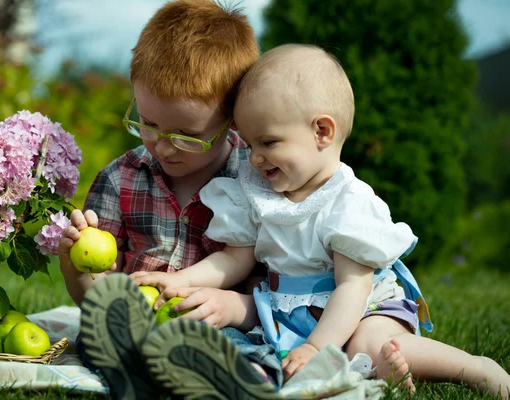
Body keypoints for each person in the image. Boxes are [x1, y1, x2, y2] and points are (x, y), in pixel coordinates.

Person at [132, 44, 510, 399]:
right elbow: (235, 260)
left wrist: (316, 347)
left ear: (322, 132)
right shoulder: (257, 192)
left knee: (368, 343)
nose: (255, 158)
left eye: (268, 142)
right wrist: (181, 280)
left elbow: (352, 288)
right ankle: (373, 373)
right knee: (233, 324)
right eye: (249, 143)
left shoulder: (347, 202)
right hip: (288, 310)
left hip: (362, 311)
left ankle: (476, 369)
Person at [58, 1, 280, 399]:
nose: (162, 145)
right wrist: (75, 267)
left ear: (233, 121)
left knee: (238, 346)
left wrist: (234, 306)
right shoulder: (120, 178)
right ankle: (143, 372)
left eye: (186, 135)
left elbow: (281, 286)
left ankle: (239, 381)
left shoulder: (257, 181)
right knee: (98, 337)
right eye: (148, 123)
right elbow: (96, 296)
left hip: (218, 325)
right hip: (135, 325)